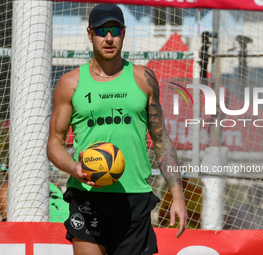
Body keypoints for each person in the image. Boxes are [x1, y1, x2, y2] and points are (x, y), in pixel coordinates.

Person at [46, 4, 188, 255]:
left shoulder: (144, 78)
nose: (109, 38)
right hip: (87, 194)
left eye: (115, 30)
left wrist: (177, 195)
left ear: (123, 32)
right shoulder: (70, 83)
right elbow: (54, 144)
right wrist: (74, 169)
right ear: (90, 34)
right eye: (102, 31)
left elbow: (161, 140)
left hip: (133, 197)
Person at [0, 169, 69, 223]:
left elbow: (6, 223)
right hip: (69, 225)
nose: (6, 174)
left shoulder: (6, 187)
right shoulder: (53, 184)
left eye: (6, 170)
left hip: (44, 229)